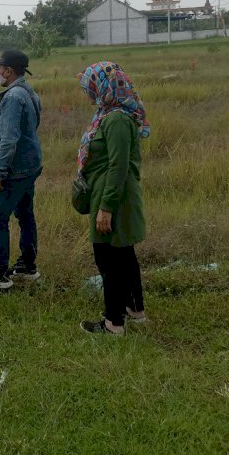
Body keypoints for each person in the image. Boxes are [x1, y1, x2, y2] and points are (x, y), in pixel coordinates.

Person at [75, 61, 149, 335]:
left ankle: (113, 323)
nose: (88, 92)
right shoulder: (109, 114)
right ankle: (134, 310)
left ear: (104, 86)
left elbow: (118, 166)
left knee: (109, 259)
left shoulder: (116, 119)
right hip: (111, 193)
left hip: (112, 196)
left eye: (90, 86)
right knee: (124, 253)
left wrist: (105, 207)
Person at [0, 50, 43, 289]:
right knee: (25, 215)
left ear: (9, 71)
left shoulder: (13, 97)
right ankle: (27, 266)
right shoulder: (28, 90)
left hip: (15, 170)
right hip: (30, 165)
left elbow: (9, 138)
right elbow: (34, 124)